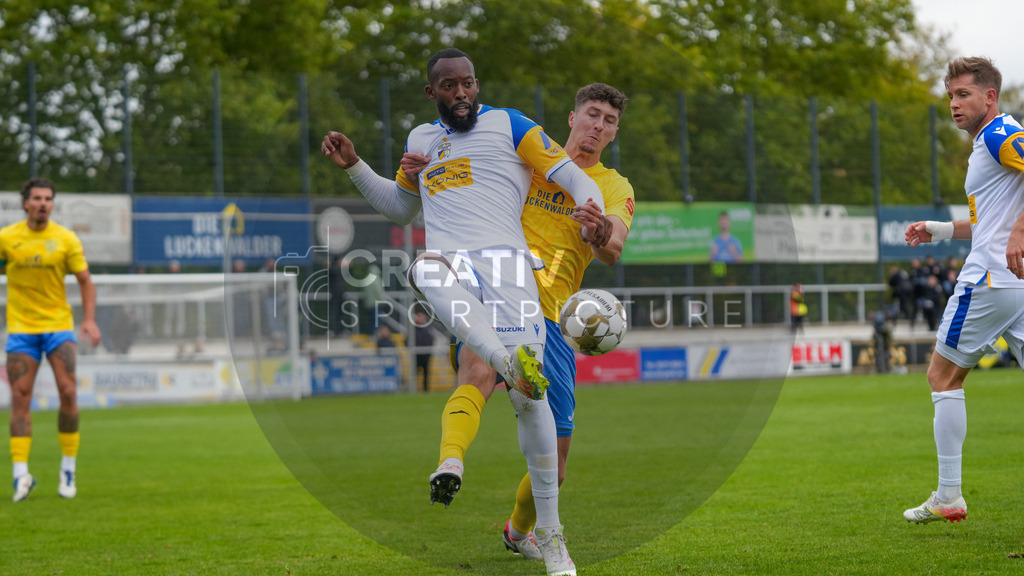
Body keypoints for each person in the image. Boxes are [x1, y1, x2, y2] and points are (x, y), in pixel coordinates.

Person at [322, 48, 608, 576]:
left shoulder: (510, 124)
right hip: (454, 264)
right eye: (449, 86)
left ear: (477, 85)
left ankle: (550, 536)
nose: (461, 93)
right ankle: (505, 361)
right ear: (433, 93)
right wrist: (356, 167)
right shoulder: (420, 140)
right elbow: (402, 207)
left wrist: (595, 209)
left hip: (509, 268)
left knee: (529, 402)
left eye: (468, 83)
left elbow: (572, 177)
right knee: (422, 270)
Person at [402, 82, 632, 562]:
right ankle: (451, 460)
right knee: (481, 372)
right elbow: (463, 182)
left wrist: (600, 228)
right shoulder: (526, 159)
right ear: (572, 119)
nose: (598, 126)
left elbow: (613, 250)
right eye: (592, 114)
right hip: (493, 294)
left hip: (556, 319)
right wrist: (423, 169)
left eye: (609, 121)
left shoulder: (612, 187)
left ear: (613, 133)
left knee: (558, 464)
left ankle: (519, 530)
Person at [902, 57, 1024, 524]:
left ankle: (949, 494)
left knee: (942, 377)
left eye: (964, 94)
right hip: (1015, 281)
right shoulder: (990, 143)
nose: (954, 104)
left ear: (989, 97)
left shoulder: (997, 134)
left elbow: (1004, 229)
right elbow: (988, 221)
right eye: (951, 95)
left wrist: (1019, 233)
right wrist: (938, 229)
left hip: (990, 280)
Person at [1, 178, 102, 501]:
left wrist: (88, 319)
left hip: (59, 326)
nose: (43, 203)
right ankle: (21, 476)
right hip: (21, 330)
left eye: (48, 198)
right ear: (26, 203)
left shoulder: (65, 239)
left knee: (69, 392)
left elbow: (85, 280)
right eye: (37, 198)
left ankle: (68, 469)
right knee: (20, 397)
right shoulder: (7, 239)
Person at [413, 309, 435, 392]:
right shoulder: (413, 329)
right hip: (416, 355)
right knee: (415, 372)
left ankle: (425, 389)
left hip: (426, 354)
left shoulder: (427, 329)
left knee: (426, 373)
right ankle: (414, 388)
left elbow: (431, 340)